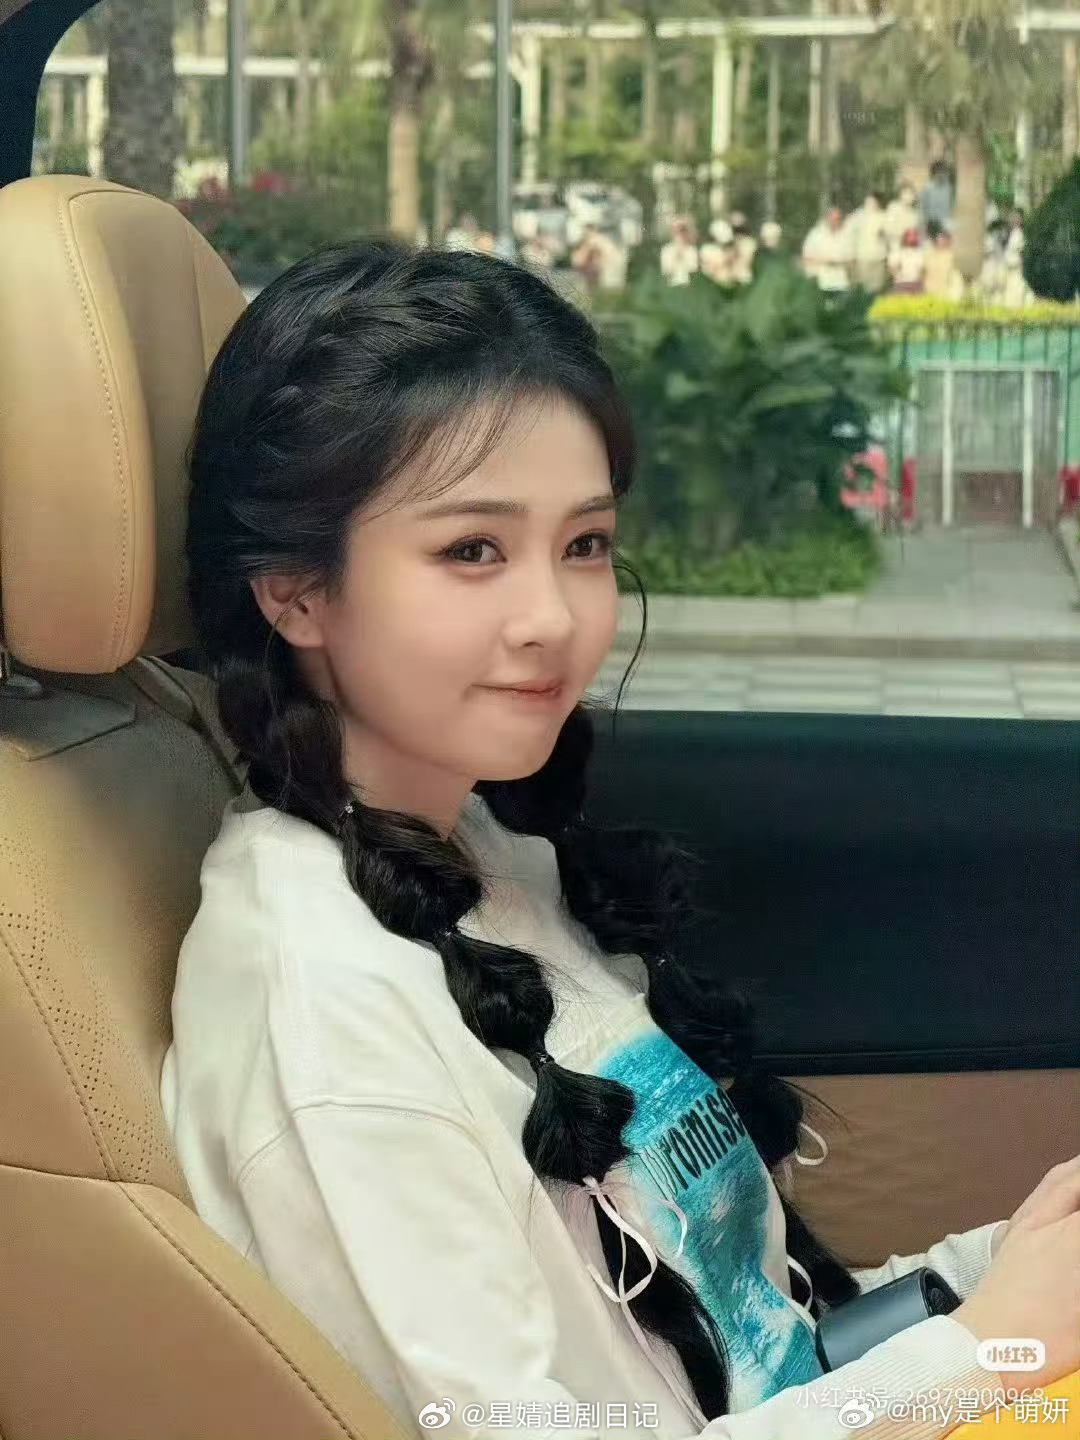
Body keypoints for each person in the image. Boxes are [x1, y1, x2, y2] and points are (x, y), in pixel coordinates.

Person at [163, 240, 1079, 1440]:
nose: (554, 617)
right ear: (294, 589)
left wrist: (998, 1274)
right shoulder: (322, 1005)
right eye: (472, 551)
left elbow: (753, 1355)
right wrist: (987, 1353)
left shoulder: (482, 859)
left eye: (585, 545)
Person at [801, 205, 853, 292]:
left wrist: (838, 262)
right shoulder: (816, 234)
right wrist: (823, 262)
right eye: (833, 219)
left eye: (838, 219)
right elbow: (806, 256)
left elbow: (851, 258)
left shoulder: (846, 235)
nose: (836, 222)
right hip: (820, 280)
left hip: (841, 281)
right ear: (828, 218)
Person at [847, 191, 890, 294]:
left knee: (878, 287)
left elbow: (890, 235)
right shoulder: (857, 216)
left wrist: (884, 234)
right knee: (864, 288)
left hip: (879, 258)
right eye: (868, 202)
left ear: (878, 202)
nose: (870, 204)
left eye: (873, 202)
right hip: (863, 257)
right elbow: (849, 233)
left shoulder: (884, 216)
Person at [923, 222, 965, 302]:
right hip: (929, 290)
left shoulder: (951, 255)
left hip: (944, 293)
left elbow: (955, 276)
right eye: (941, 238)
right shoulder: (930, 254)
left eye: (945, 239)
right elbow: (924, 271)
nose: (942, 241)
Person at [660, 217, 700, 286]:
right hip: (672, 286)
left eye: (682, 230)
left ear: (686, 232)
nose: (679, 234)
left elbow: (694, 269)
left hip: (689, 286)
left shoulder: (692, 250)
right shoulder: (666, 250)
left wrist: (683, 254)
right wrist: (676, 255)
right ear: (671, 233)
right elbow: (666, 271)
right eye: (675, 231)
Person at [884, 181, 920, 256]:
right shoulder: (893, 208)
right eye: (906, 193)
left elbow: (915, 233)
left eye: (911, 194)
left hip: (910, 251)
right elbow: (888, 229)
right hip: (895, 248)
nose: (909, 196)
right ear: (900, 195)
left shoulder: (914, 214)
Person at [919, 160, 954, 238]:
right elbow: (922, 208)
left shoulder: (948, 188)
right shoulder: (927, 188)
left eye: (944, 172)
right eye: (939, 172)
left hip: (946, 223)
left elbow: (950, 207)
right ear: (934, 173)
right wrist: (923, 225)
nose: (942, 174)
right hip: (931, 224)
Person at [888, 227, 927, 294]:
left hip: (916, 285)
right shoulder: (898, 252)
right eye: (910, 236)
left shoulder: (921, 253)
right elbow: (891, 268)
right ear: (905, 237)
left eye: (914, 235)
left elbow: (924, 269)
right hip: (901, 285)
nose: (912, 238)